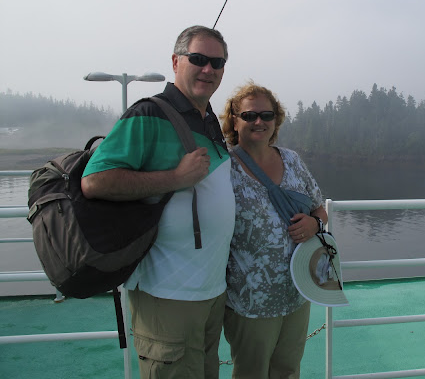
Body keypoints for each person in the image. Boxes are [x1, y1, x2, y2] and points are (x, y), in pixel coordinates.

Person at [81, 25, 235, 379]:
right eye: (198, 59)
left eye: (217, 62)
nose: (208, 69)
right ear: (176, 61)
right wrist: (176, 178)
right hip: (167, 294)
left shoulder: (209, 120)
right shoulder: (148, 114)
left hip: (211, 293)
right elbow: (94, 181)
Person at [220, 81, 328, 379]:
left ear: (276, 120)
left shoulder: (292, 160)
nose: (259, 122)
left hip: (297, 291)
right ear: (234, 121)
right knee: (251, 373)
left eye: (266, 115)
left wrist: (314, 223)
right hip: (250, 301)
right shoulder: (224, 167)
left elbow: (319, 208)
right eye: (249, 115)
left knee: (288, 371)